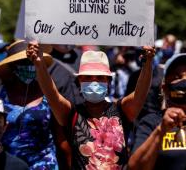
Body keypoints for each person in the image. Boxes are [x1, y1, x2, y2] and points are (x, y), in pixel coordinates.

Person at [27, 41, 155, 169]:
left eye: (100, 77)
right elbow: (51, 93)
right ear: (79, 81)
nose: (94, 82)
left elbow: (141, 92)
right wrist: (39, 64)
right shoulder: (71, 114)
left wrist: (148, 63)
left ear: (108, 81)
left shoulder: (122, 110)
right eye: (88, 77)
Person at [0, 40, 59, 169]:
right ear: (13, 66)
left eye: (32, 61)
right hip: (7, 165)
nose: (29, 66)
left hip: (43, 165)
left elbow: (60, 136)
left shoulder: (48, 92)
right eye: (23, 62)